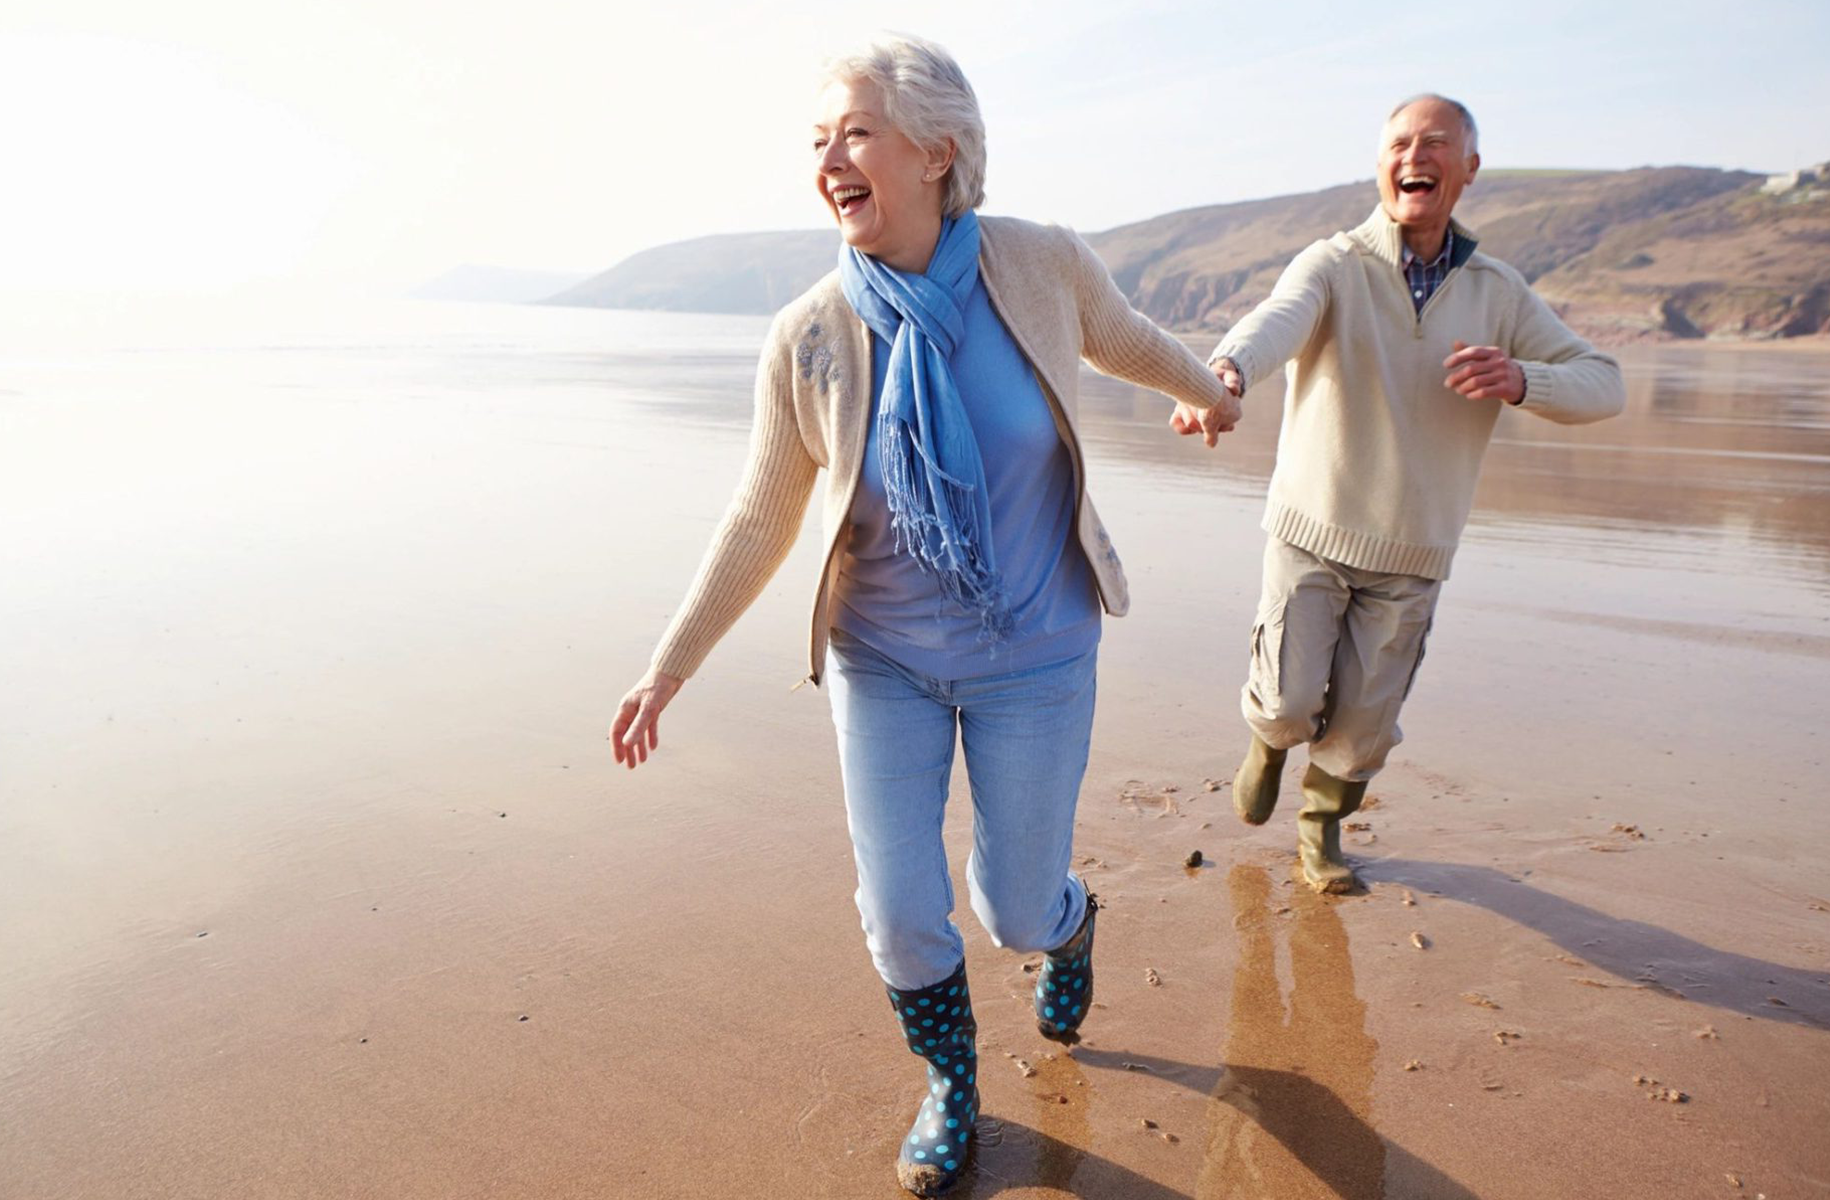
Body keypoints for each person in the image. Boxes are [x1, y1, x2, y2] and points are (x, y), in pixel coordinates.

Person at [608, 34, 1236, 1197]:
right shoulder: (808, 335)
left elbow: (1130, 342)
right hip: (880, 659)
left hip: (1036, 653)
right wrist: (667, 669)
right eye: (815, 141)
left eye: (852, 132)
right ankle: (950, 1087)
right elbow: (758, 520)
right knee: (899, 914)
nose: (827, 160)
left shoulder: (1039, 267)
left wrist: (1212, 396)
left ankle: (1070, 924)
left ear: (937, 150)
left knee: (1012, 907)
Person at [1173, 94, 1625, 895]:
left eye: (1436, 143)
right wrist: (1226, 373)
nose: (1415, 155)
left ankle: (1320, 830)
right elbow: (1275, 320)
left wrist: (1525, 378)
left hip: (1415, 550)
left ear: (1469, 169)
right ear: (1380, 162)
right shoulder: (1335, 262)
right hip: (1312, 528)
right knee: (1287, 700)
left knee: (1363, 726)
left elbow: (1604, 385)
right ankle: (1268, 743)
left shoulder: (1499, 290)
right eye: (1400, 143)